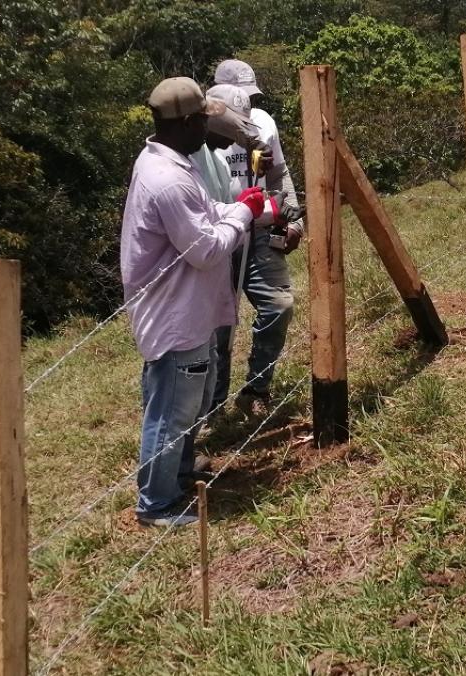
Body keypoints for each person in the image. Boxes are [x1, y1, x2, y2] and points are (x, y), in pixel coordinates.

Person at [121, 77, 277, 528]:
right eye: (204, 122)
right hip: (176, 315)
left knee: (189, 402)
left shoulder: (168, 164)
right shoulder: (167, 180)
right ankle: (157, 504)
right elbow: (206, 250)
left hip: (190, 310)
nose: (209, 132)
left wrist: (241, 207)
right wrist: (246, 213)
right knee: (170, 411)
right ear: (188, 122)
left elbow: (206, 214)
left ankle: (182, 471)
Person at [211, 59, 303, 418]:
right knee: (218, 327)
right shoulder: (204, 135)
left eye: (250, 97)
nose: (246, 107)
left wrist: (293, 219)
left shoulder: (263, 121)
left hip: (261, 230)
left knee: (279, 307)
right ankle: (212, 407)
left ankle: (257, 388)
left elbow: (280, 173)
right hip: (220, 235)